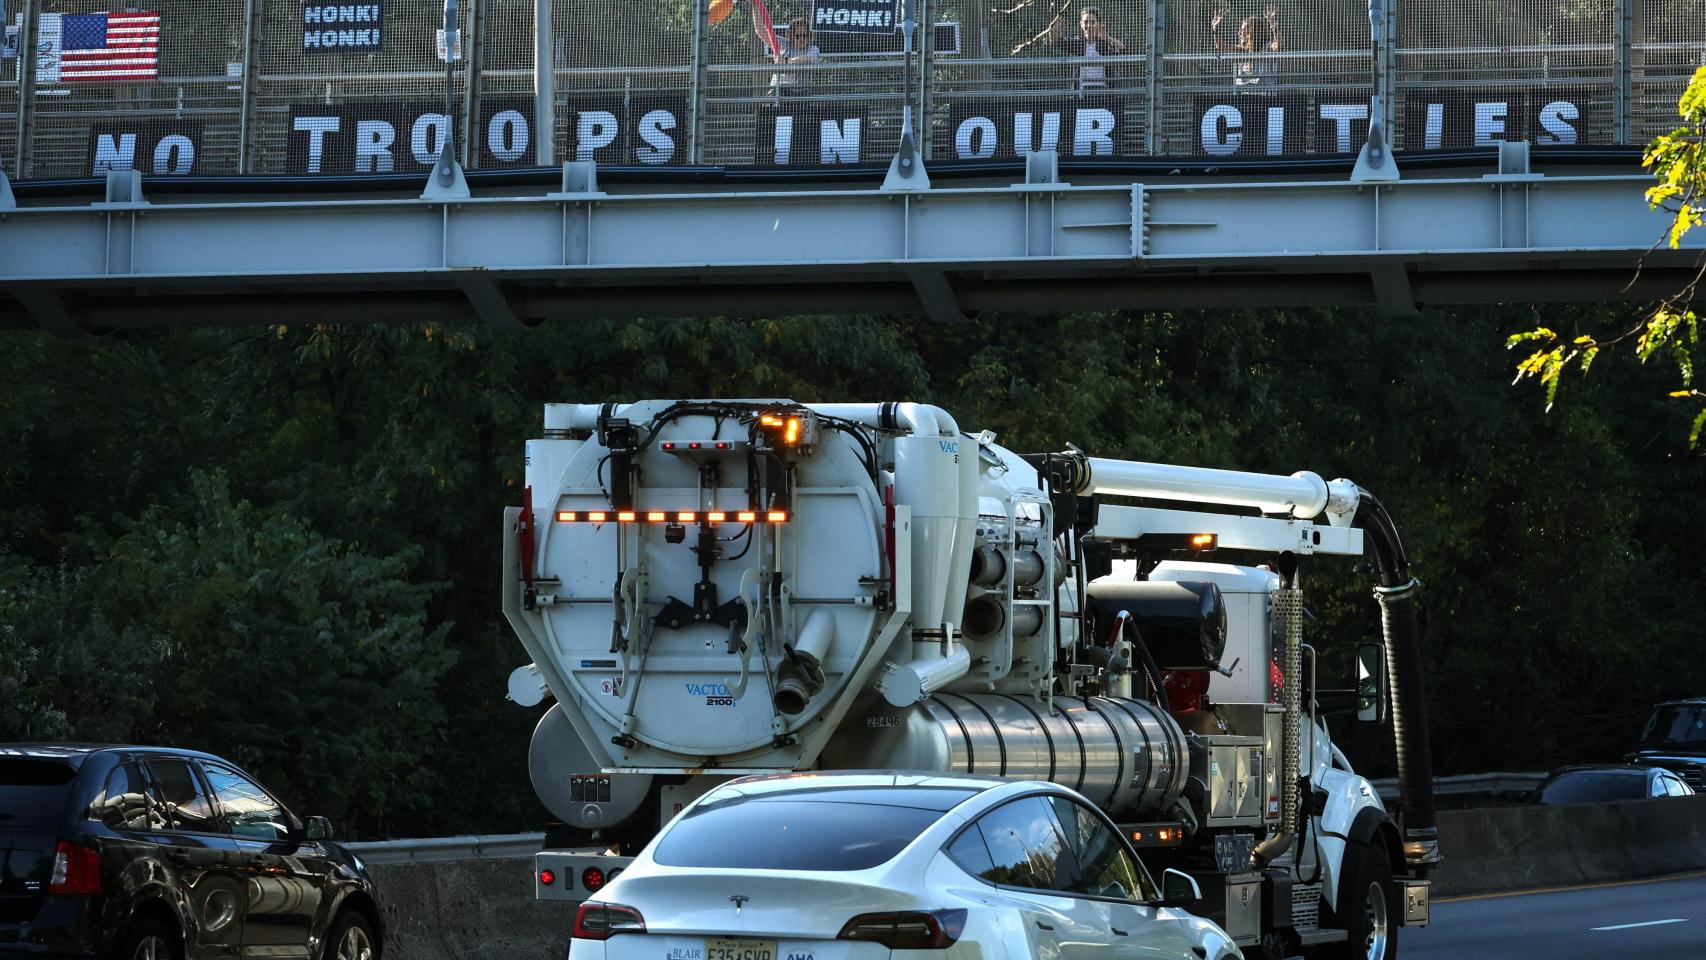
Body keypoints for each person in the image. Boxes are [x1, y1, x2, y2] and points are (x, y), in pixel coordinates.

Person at [1048, 7, 1126, 92]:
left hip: (1103, 90)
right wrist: (1053, 28)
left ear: (1098, 24)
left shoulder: (1104, 44)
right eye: (1086, 22)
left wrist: (1108, 38)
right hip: (1082, 90)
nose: (1089, 25)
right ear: (1081, 24)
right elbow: (1056, 41)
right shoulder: (1077, 43)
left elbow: (1123, 50)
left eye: (1093, 22)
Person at [1211, 4, 1283, 91]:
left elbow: (1279, 45)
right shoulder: (1242, 50)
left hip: (1264, 97)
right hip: (1243, 98)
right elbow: (1221, 47)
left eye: (1242, 29)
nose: (1239, 33)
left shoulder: (1267, 48)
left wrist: (1273, 25)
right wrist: (1215, 29)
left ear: (1251, 31)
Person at [759, 17, 820, 96]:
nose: (802, 39)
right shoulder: (784, 44)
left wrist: (786, 61)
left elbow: (810, 59)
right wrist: (755, 7)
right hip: (779, 90)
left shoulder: (813, 48)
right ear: (791, 36)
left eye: (804, 35)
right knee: (771, 97)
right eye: (798, 36)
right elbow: (761, 32)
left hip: (800, 93)